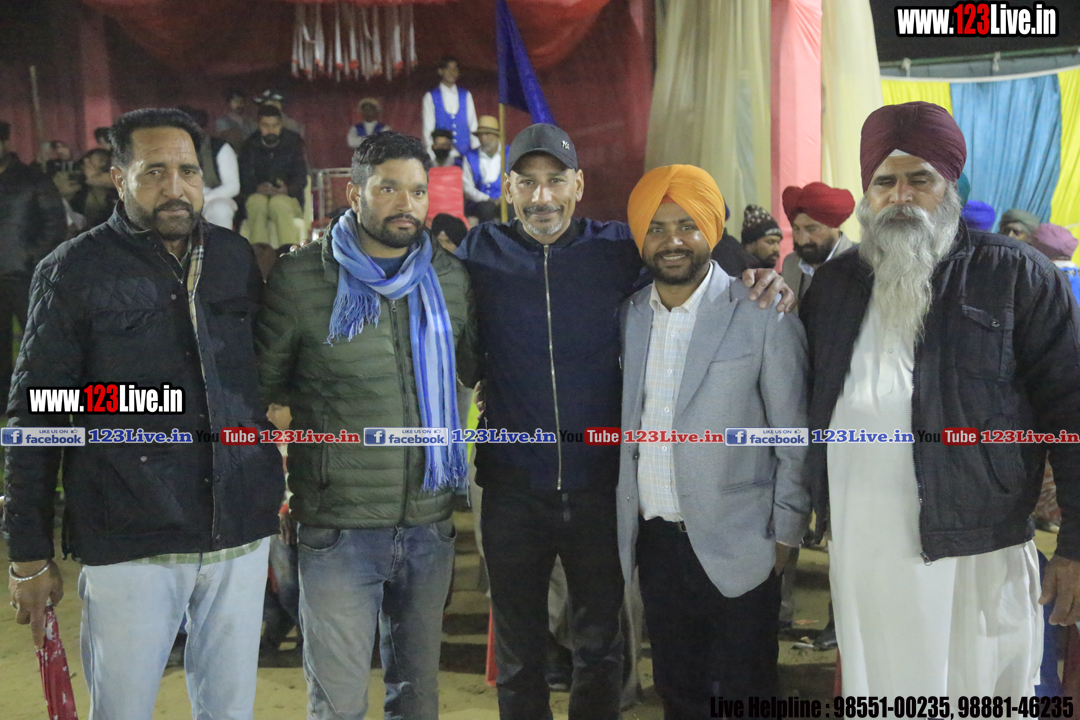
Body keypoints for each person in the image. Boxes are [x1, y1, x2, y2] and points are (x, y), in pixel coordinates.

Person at [453, 122, 792, 719]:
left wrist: (759, 274)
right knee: (519, 655)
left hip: (600, 489)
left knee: (601, 648)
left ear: (579, 185)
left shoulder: (615, 249)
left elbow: (688, 257)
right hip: (510, 488)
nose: (541, 197)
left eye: (555, 180)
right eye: (526, 183)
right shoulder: (480, 252)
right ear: (507, 189)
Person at [4, 108, 284, 719]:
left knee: (230, 711)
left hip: (237, 531)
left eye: (188, 171)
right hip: (130, 536)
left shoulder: (234, 258)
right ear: (118, 176)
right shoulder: (72, 271)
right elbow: (37, 413)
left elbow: (257, 377)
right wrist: (26, 550)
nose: (176, 187)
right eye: (155, 171)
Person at [801, 100, 1080, 697]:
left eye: (919, 179)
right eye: (885, 181)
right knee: (883, 690)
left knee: (978, 690)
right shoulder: (833, 286)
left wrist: (1077, 547)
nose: (900, 196)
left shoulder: (1016, 275)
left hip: (976, 546)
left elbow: (1071, 412)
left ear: (949, 184)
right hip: (862, 544)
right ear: (868, 193)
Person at [256, 131, 478, 720]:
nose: (406, 204)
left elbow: (477, 368)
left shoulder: (450, 279)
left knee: (418, 698)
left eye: (417, 191)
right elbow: (264, 389)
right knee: (338, 704)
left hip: (429, 525)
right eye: (388, 189)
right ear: (354, 194)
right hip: (338, 529)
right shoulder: (301, 278)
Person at [619, 164, 810, 716]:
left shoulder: (762, 311)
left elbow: (794, 432)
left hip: (744, 540)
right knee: (679, 691)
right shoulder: (629, 316)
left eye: (687, 225)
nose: (673, 240)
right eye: (657, 228)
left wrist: (786, 531)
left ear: (711, 230)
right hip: (656, 542)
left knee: (750, 689)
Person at [0, 121, 67, 402]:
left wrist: (31, 257)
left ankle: (44, 400)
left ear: (5, 143)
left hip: (24, 275)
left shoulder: (32, 179)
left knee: (37, 343)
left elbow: (55, 224)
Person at [239, 105, 307, 248]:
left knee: (278, 203)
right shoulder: (249, 145)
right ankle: (260, 254)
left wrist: (286, 190)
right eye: (266, 125)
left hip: (288, 198)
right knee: (256, 203)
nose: (271, 130)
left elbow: (301, 177)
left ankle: (288, 253)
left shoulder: (293, 142)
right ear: (258, 125)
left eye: (275, 125)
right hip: (258, 196)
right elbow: (243, 178)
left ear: (281, 125)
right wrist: (257, 188)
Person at [780, 181, 855, 312]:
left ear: (835, 227)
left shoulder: (862, 263)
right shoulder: (790, 265)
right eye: (796, 229)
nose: (802, 240)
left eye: (812, 229)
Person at [181, 107, 241, 230]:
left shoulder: (220, 148)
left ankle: (220, 243)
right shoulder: (172, 149)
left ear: (203, 128)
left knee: (221, 210)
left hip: (213, 199)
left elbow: (233, 187)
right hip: (182, 200)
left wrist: (203, 199)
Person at [422, 56, 478, 157]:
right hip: (442, 156)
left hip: (466, 154)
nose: (452, 72)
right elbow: (428, 129)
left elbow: (473, 125)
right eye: (448, 69)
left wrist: (475, 152)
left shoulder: (465, 95)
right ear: (440, 71)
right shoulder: (431, 97)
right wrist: (432, 155)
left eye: (454, 69)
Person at [462, 115, 508, 224]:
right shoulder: (470, 157)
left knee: (511, 209)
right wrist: (487, 199)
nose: (483, 138)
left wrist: (503, 198)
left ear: (497, 136)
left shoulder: (509, 154)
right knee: (487, 209)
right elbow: (467, 188)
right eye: (480, 135)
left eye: (487, 134)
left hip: (505, 200)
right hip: (479, 202)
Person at [71, 147, 119, 229]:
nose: (104, 163)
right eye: (100, 160)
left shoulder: (113, 185)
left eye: (104, 160)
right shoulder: (77, 185)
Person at [215, 88, 258, 153]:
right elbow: (233, 139)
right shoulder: (223, 122)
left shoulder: (250, 121)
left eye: (241, 101)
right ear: (229, 103)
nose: (239, 104)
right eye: (235, 101)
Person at [740, 203, 783, 269]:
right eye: (770, 242)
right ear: (750, 243)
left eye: (778, 243)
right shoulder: (735, 271)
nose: (776, 248)